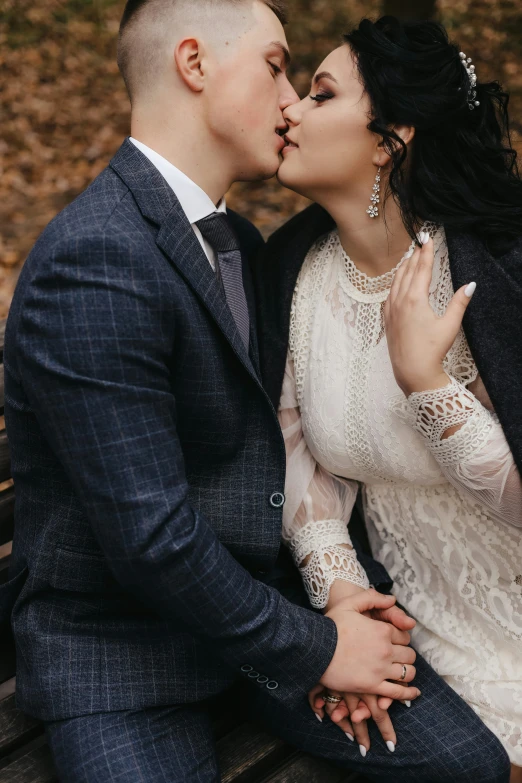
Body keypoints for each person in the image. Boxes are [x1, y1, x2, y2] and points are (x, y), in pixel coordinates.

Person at [0, 2, 510, 780]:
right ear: (195, 65)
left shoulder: (243, 246)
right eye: (277, 68)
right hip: (132, 657)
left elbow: (275, 448)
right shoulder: (95, 260)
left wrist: (333, 607)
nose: (287, 102)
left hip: (267, 616)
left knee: (465, 762)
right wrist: (320, 646)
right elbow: (153, 539)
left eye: (308, 85)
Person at [255, 14, 522, 783]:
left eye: (320, 94)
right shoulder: (291, 275)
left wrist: (427, 383)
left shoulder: (488, 270)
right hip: (414, 627)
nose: (290, 111)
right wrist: (345, 605)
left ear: (388, 140)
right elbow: (305, 473)